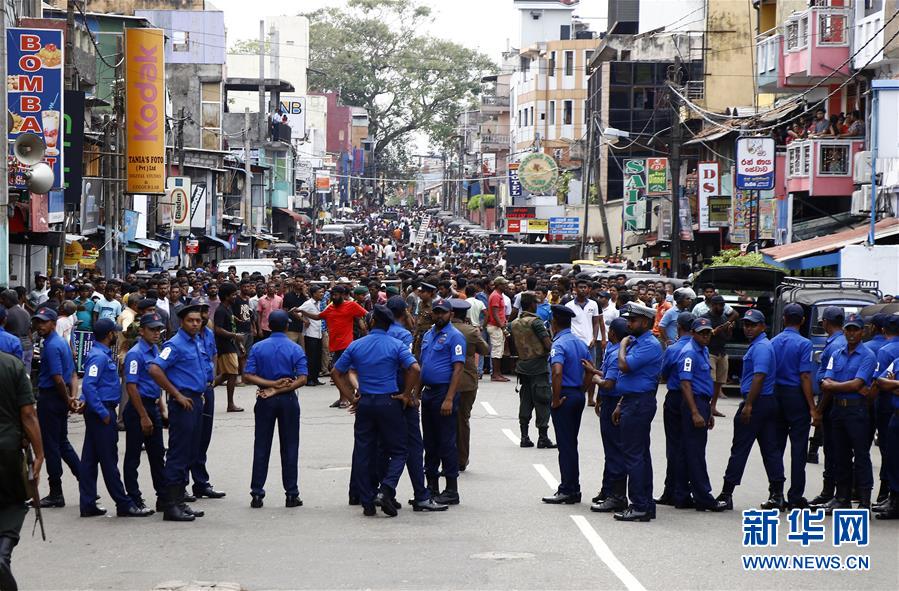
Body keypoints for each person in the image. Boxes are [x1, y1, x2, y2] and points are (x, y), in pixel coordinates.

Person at [333, 305, 421, 517]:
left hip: (365, 402)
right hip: (389, 401)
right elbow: (415, 369)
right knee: (399, 451)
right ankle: (387, 488)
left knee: (364, 451)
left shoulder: (357, 345)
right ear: (390, 323)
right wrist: (406, 393)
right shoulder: (396, 344)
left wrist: (351, 396)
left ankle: (367, 501)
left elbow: (336, 371)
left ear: (372, 322)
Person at [78, 318, 153, 518]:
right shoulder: (99, 357)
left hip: (99, 409)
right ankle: (123, 503)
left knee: (89, 459)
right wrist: (101, 412)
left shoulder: (100, 354)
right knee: (109, 460)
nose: (117, 336)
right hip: (102, 411)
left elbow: (89, 385)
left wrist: (85, 400)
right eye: (115, 333)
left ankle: (88, 502)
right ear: (110, 334)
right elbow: (89, 385)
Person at [715, 309, 784, 511]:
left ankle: (726, 494)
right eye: (746, 324)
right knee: (771, 450)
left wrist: (749, 405)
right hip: (765, 402)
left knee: (740, 450)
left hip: (757, 402)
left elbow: (759, 376)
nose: (748, 328)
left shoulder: (761, 347)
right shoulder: (760, 345)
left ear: (763, 326)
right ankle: (777, 494)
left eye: (752, 325)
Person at [384, 297, 447, 512]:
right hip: (401, 394)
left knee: (380, 446)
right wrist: (410, 393)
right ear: (404, 313)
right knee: (413, 445)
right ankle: (419, 494)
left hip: (379, 395)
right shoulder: (402, 334)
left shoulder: (377, 335)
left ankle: (371, 493)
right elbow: (410, 367)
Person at [149, 302, 209, 522]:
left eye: (198, 320)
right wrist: (176, 394)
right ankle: (170, 505)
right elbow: (155, 369)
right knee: (178, 453)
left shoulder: (196, 341)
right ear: (182, 322)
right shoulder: (174, 344)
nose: (195, 324)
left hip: (195, 401)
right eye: (191, 321)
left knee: (190, 452)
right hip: (182, 403)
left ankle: (180, 501)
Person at [243, 310, 308, 508]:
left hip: (265, 398)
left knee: (261, 445)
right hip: (288, 400)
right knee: (290, 447)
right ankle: (291, 493)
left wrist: (270, 386)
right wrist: (280, 388)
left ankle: (257, 493)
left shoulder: (258, 347)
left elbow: (248, 375)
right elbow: (303, 378)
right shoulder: (295, 348)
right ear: (287, 326)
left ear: (269, 326)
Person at [817, 314, 876, 512]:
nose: (851, 333)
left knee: (861, 455)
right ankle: (841, 498)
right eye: (848, 329)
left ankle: (865, 501)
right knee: (839, 455)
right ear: (844, 330)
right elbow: (825, 381)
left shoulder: (868, 355)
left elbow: (858, 384)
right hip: (838, 410)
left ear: (863, 332)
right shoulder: (837, 354)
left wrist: (837, 385)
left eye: (855, 329)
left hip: (856, 410)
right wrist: (844, 386)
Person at [613, 303, 663, 522]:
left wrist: (622, 344)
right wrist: (620, 403)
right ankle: (646, 504)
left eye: (632, 321)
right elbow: (631, 381)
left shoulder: (648, 344)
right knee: (640, 454)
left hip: (639, 404)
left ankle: (639, 505)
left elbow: (625, 367)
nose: (629, 324)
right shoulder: (639, 341)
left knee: (633, 456)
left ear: (645, 322)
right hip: (632, 401)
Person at [0, 347, 43, 591]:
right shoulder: (12, 365)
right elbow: (28, 414)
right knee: (13, 504)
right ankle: (2, 556)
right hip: (7, 451)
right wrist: (40, 453)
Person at [417, 298, 466, 505]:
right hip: (428, 393)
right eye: (436, 312)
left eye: (443, 313)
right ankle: (432, 486)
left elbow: (458, 369)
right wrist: (416, 393)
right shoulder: (428, 335)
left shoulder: (455, 337)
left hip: (443, 393)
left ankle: (451, 489)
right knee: (430, 442)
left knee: (446, 442)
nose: (439, 316)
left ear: (450, 314)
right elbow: (423, 365)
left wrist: (448, 398)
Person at [771, 303, 819, 511]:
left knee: (776, 447)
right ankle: (795, 495)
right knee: (798, 447)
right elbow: (805, 376)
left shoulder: (773, 342)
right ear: (802, 321)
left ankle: (776, 493)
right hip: (796, 396)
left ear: (783, 319)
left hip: (776, 394)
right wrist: (812, 406)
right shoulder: (804, 344)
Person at [541, 305, 591, 505]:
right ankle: (573, 488)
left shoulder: (559, 344)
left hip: (564, 396)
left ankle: (567, 489)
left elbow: (557, 372)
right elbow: (590, 369)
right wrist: (583, 391)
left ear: (554, 323)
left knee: (566, 445)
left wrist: (555, 398)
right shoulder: (579, 343)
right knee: (572, 443)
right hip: (576, 394)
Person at [676, 318, 726, 511]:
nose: (705, 336)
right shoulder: (689, 353)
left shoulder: (703, 350)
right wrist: (695, 412)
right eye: (701, 333)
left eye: (708, 333)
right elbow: (685, 384)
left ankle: (682, 495)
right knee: (695, 452)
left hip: (701, 402)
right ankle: (704, 497)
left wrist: (708, 410)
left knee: (688, 451)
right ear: (693, 333)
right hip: (693, 403)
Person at [33, 307, 80, 508]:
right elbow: (72, 375)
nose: (40, 326)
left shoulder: (52, 345)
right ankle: (85, 480)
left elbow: (58, 378)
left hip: (52, 398)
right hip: (59, 398)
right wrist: (71, 398)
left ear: (53, 323)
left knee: (52, 446)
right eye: (38, 322)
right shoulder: (60, 342)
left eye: (44, 322)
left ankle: (56, 492)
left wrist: (68, 398)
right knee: (62, 443)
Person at [123, 313, 168, 513]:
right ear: (141, 331)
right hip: (137, 408)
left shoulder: (154, 349)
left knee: (157, 454)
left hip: (152, 405)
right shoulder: (136, 353)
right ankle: (134, 498)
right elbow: (131, 387)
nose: (157, 333)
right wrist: (143, 416)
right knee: (133, 456)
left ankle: (163, 496)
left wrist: (161, 406)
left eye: (159, 329)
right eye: (152, 329)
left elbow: (155, 380)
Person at [584, 317, 628, 512]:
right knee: (610, 450)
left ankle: (616, 496)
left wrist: (595, 377)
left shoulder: (615, 353)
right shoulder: (613, 349)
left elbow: (609, 382)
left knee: (614, 451)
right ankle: (607, 489)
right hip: (610, 400)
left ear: (613, 334)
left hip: (615, 402)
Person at [298, 285, 367, 408]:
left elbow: (365, 314)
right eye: (331, 294)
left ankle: (346, 398)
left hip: (347, 345)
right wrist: (303, 312)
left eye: (335, 294)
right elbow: (318, 316)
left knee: (341, 373)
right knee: (338, 373)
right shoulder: (330, 308)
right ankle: (344, 397)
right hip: (335, 346)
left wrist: (363, 327)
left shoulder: (351, 305)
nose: (332, 297)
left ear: (342, 294)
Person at [656, 312, 695, 507]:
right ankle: (681, 489)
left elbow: (663, 374)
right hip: (694, 398)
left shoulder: (674, 349)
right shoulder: (698, 347)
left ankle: (673, 490)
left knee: (674, 447)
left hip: (676, 396)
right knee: (688, 445)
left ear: (679, 327)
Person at [808, 307, 846, 504]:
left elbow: (829, 384)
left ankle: (829, 493)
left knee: (832, 450)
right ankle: (831, 492)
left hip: (831, 402)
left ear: (825, 322)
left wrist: (819, 411)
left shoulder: (834, 346)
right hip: (837, 401)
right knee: (836, 450)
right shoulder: (841, 341)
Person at [191, 298, 226, 500]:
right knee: (188, 440)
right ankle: (181, 485)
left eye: (204, 312)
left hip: (207, 389)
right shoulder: (182, 339)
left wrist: (211, 377)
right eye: (197, 312)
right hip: (190, 393)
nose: (202, 317)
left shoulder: (209, 334)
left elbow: (213, 355)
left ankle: (201, 482)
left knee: (204, 438)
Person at [510, 292, 555, 449]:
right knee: (542, 400)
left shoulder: (514, 323)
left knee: (525, 400)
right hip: (538, 367)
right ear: (532, 305)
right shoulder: (537, 322)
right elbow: (548, 345)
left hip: (523, 366)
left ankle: (524, 436)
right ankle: (543, 437)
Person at [450, 299, 489, 471]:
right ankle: (461, 459)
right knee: (462, 421)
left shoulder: (440, 330)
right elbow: (485, 350)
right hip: (466, 381)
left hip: (444, 380)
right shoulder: (471, 331)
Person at [566, 278, 604, 406]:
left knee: (591, 370)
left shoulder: (593, 304)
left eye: (585, 287)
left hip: (590, 343)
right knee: (573, 369)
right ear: (575, 289)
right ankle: (576, 394)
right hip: (574, 343)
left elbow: (596, 322)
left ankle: (590, 398)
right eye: (580, 287)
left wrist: (594, 337)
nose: (583, 289)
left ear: (589, 289)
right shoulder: (569, 305)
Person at [873, 345, 899, 519]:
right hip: (896, 416)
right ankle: (894, 498)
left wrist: (894, 385)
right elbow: (880, 382)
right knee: (893, 458)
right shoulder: (897, 362)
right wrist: (894, 386)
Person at [213, 283, 243, 412]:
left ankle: (204, 389)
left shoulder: (228, 308)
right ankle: (230, 404)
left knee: (227, 374)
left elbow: (232, 326)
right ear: (226, 296)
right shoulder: (220, 310)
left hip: (231, 344)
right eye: (233, 294)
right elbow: (217, 329)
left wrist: (239, 343)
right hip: (224, 346)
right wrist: (235, 336)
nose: (235, 296)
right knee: (232, 374)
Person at [701, 295, 734, 412]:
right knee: (710, 381)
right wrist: (714, 332)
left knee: (719, 382)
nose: (721, 307)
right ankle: (705, 406)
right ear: (713, 305)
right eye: (718, 305)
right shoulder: (705, 318)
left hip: (722, 352)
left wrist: (729, 330)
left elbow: (727, 338)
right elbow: (701, 336)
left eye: (722, 305)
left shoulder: (724, 318)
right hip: (710, 352)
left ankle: (713, 407)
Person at [298, 285, 325, 387]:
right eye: (320, 292)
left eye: (322, 292)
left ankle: (315, 378)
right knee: (311, 357)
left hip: (318, 333)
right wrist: (304, 320)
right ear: (314, 294)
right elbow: (295, 311)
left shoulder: (319, 303)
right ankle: (309, 379)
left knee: (318, 357)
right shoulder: (308, 304)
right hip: (310, 334)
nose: (322, 294)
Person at [485, 278, 509, 382]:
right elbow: (494, 314)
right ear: (498, 285)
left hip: (498, 326)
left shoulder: (498, 295)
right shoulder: (495, 296)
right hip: (496, 327)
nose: (506, 286)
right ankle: (495, 374)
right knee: (496, 351)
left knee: (499, 351)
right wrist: (503, 327)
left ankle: (498, 373)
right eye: (504, 284)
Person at [412, 281, 436, 359]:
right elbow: (418, 319)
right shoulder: (420, 304)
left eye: (423, 292)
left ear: (430, 293)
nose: (420, 294)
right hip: (419, 335)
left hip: (428, 336)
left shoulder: (434, 306)